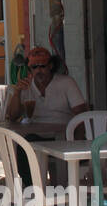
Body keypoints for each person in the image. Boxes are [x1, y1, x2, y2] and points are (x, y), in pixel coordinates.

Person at [5, 47, 88, 183]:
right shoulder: (26, 85)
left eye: (42, 66)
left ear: (51, 66)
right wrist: (17, 92)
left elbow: (81, 115)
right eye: (34, 67)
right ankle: (33, 189)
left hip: (64, 136)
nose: (39, 70)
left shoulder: (66, 82)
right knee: (22, 147)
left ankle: (59, 189)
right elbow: (12, 116)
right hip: (37, 135)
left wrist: (77, 143)